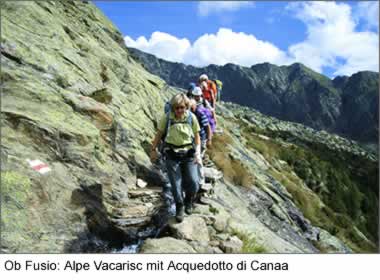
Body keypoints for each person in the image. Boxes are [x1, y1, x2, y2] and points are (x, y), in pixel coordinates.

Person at [150, 93, 201, 222]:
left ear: (186, 107)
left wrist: (198, 153)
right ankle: (180, 206)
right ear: (173, 107)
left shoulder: (191, 118)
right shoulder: (167, 118)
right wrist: (153, 149)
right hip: (171, 155)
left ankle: (188, 200)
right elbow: (159, 134)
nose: (179, 110)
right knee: (176, 184)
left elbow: (197, 136)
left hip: (189, 154)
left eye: (182, 107)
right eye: (176, 108)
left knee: (194, 182)